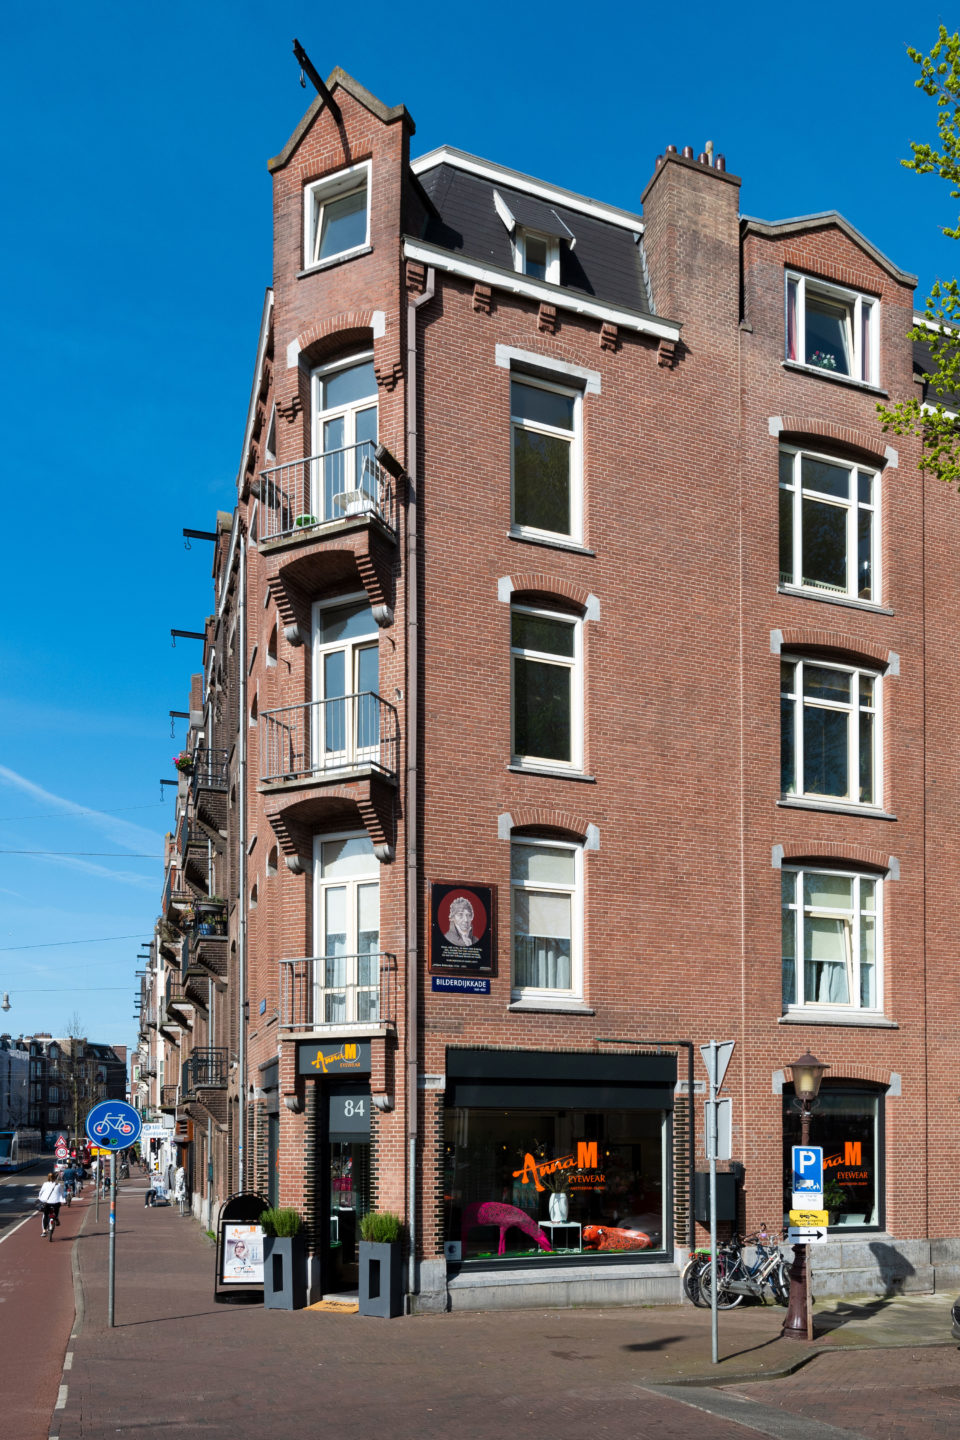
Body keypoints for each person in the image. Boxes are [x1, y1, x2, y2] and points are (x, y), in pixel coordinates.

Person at [38, 1171, 65, 1237]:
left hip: (47, 1203)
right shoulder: (58, 1185)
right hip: (56, 1203)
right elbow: (62, 1193)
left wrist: (39, 1197)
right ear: (55, 1178)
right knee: (57, 1209)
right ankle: (56, 1218)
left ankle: (44, 1231)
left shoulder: (45, 1184)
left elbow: (41, 1192)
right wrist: (63, 1199)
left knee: (45, 1215)